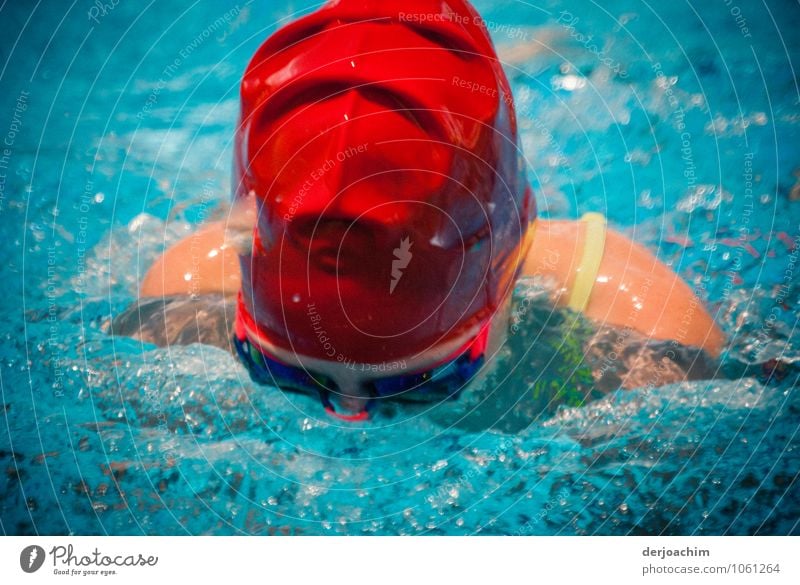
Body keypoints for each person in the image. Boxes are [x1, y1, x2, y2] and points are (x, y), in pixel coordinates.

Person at [112, 0, 725, 421]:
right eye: (288, 376)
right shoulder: (186, 294)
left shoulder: (651, 339)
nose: (349, 419)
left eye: (418, 385)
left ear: (508, 276)